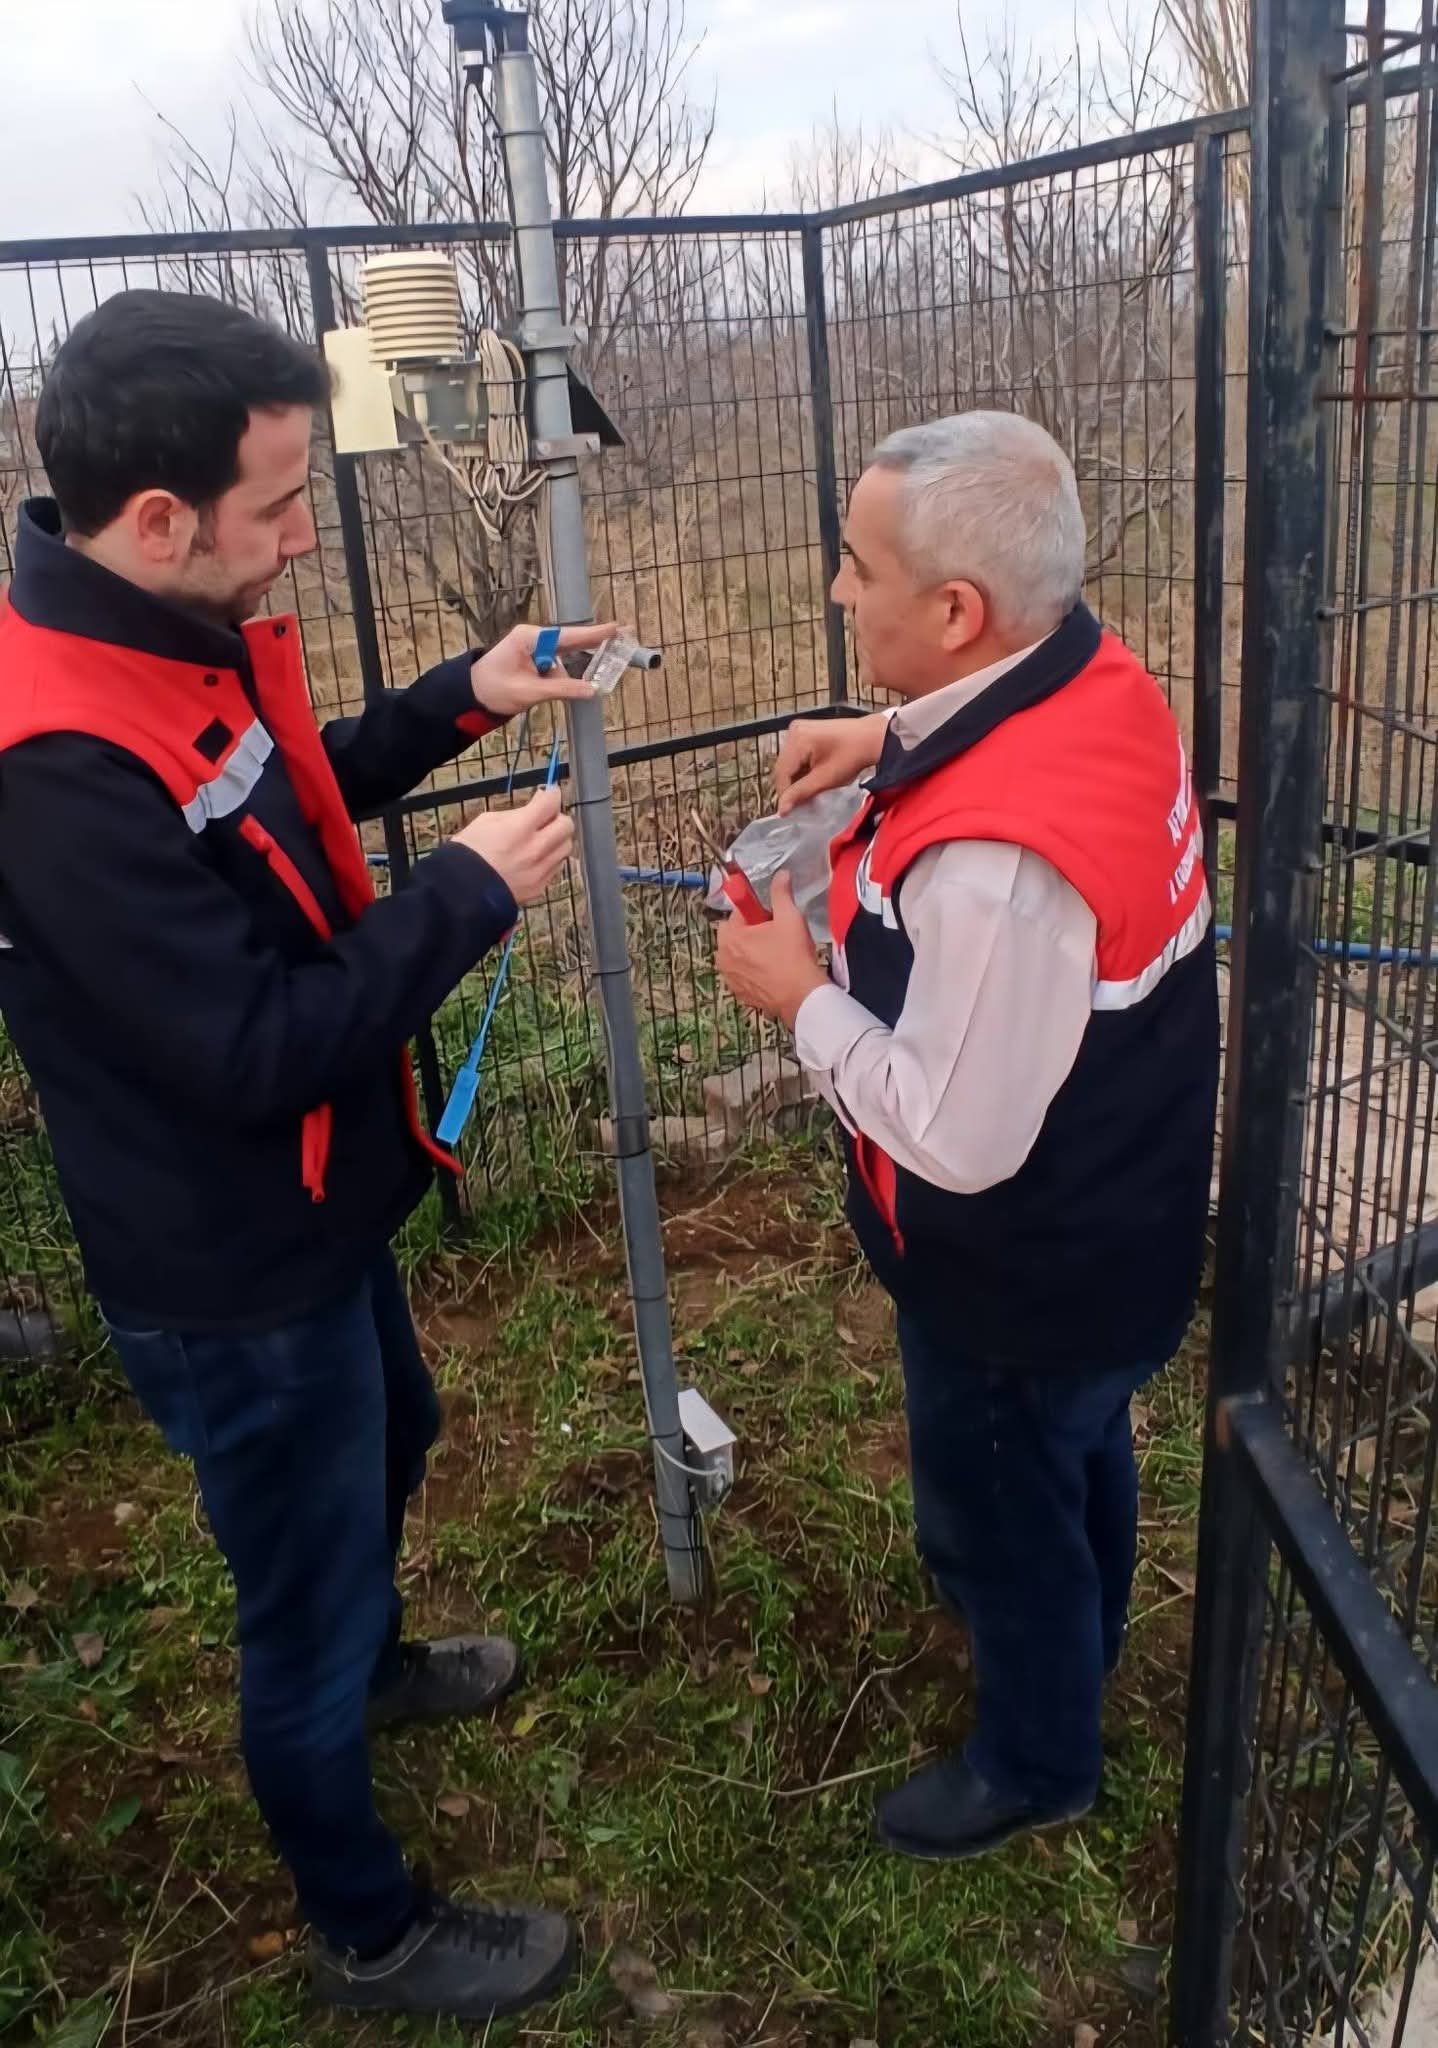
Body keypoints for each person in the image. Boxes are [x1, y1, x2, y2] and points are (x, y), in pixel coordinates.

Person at [0, 289, 610, 2020]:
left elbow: (285, 809)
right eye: (276, 507)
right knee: (296, 1585)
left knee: (394, 1432)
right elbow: (247, 1046)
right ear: (159, 519)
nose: (294, 539)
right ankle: (368, 1928)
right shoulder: (49, 758)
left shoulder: (156, 644)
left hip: (315, 1213)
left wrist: (459, 700)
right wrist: (470, 895)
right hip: (226, 1263)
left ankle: (377, 1660)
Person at [714, 410, 1219, 1862]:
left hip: (1019, 1270)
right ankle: (1086, 1619)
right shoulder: (1096, 680)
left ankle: (1039, 1756)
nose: (833, 592)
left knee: (1001, 1504)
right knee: (1072, 1457)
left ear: (953, 611)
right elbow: (1023, 717)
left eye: (855, 567)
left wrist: (795, 996)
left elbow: (955, 1136)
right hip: (1116, 1229)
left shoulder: (995, 866)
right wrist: (885, 737)